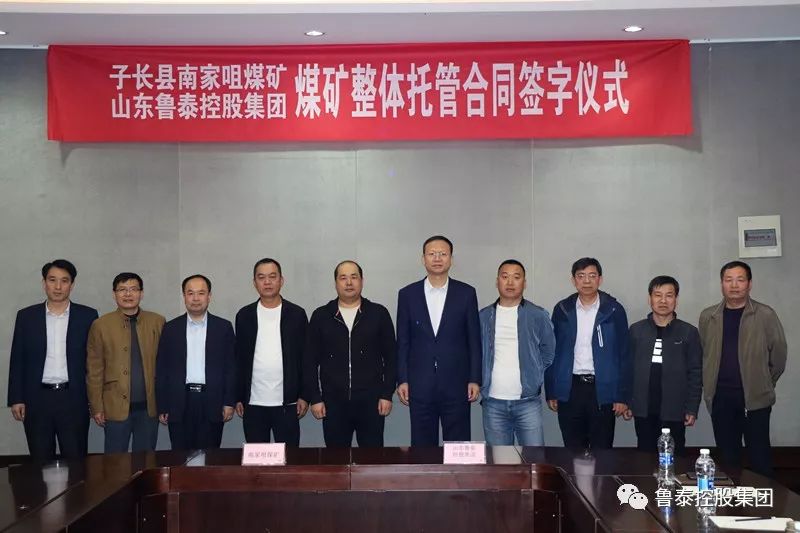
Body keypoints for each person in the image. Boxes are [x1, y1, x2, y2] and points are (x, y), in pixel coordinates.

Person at [699, 261, 786, 477]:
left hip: (755, 399)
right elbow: (704, 353)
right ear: (722, 284)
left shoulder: (765, 314)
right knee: (728, 458)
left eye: (740, 279)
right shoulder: (709, 316)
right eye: (728, 280)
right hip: (720, 397)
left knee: (760, 457)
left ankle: (764, 499)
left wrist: (764, 382)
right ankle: (732, 498)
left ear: (749, 284)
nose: (734, 285)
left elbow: (778, 356)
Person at [7, 260, 98, 461]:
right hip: (37, 399)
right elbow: (18, 358)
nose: (58, 287)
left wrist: (95, 400)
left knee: (76, 460)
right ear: (44, 283)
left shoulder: (88, 316)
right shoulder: (27, 316)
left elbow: (95, 362)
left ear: (72, 285)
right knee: (40, 460)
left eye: (64, 281)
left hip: (74, 398)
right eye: (52, 280)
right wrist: (16, 398)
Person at [396, 235, 481, 446]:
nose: (437, 258)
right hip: (419, 384)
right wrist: (402, 379)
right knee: (422, 447)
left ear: (451, 259)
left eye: (443, 254)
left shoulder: (466, 293)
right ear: (423, 259)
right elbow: (403, 341)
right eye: (432, 254)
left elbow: (474, 340)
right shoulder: (407, 294)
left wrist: (474, 378)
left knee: (458, 446)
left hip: (457, 384)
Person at [305, 260, 397, 447]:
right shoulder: (321, 316)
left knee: (372, 457)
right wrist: (315, 398)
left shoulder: (378, 313)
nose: (349, 282)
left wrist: (387, 394)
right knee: (335, 459)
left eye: (354, 277)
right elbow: (309, 361)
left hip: (372, 402)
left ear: (362, 281)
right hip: (333, 402)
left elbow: (391, 357)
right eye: (343, 278)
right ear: (335, 283)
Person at [545, 257, 630, 451]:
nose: (586, 281)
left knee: (602, 451)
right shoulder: (562, 310)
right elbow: (552, 352)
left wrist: (622, 396)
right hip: (570, 388)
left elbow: (624, 354)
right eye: (581, 276)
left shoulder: (614, 310)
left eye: (592, 276)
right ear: (573, 280)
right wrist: (552, 390)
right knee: (573, 450)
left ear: (600, 279)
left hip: (603, 389)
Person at [479, 260, 555, 446]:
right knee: (499, 460)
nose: (510, 282)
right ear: (497, 281)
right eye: (505, 277)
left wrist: (534, 373)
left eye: (516, 277)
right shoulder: (483, 316)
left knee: (534, 459)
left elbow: (549, 352)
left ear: (524, 283)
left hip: (528, 402)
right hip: (493, 402)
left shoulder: (538, 315)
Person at [87, 273, 165, 453]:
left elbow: (166, 366)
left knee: (146, 460)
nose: (128, 294)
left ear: (141, 293)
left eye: (133, 289)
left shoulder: (157, 322)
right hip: (114, 406)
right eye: (122, 290)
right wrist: (96, 406)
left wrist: (165, 404)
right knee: (114, 461)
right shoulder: (100, 325)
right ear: (114, 294)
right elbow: (94, 369)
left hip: (149, 407)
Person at [156, 275, 236, 450]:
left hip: (212, 401)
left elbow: (231, 368)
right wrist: (163, 405)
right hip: (179, 401)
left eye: (201, 293)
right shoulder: (171, 328)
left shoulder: (223, 327)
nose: (196, 298)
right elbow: (162, 369)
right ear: (184, 296)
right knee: (180, 455)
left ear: (209, 296)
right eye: (190, 293)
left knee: (210, 455)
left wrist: (229, 401)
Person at [235, 258, 308, 445]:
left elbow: (305, 359)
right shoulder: (244, 316)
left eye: (272, 277)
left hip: (288, 404)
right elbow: (239, 360)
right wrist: (238, 397)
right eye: (261, 278)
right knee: (257, 459)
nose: (267, 282)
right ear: (254, 283)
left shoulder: (297, 315)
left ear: (281, 280)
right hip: (253, 404)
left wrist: (304, 395)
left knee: (290, 458)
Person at [626, 276, 702, 454]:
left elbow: (696, 372)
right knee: (644, 457)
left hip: (675, 409)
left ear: (676, 299)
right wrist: (628, 401)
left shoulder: (688, 332)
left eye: (669, 295)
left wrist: (692, 408)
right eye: (657, 295)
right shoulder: (636, 331)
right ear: (650, 298)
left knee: (674, 457)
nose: (663, 301)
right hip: (643, 408)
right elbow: (627, 369)